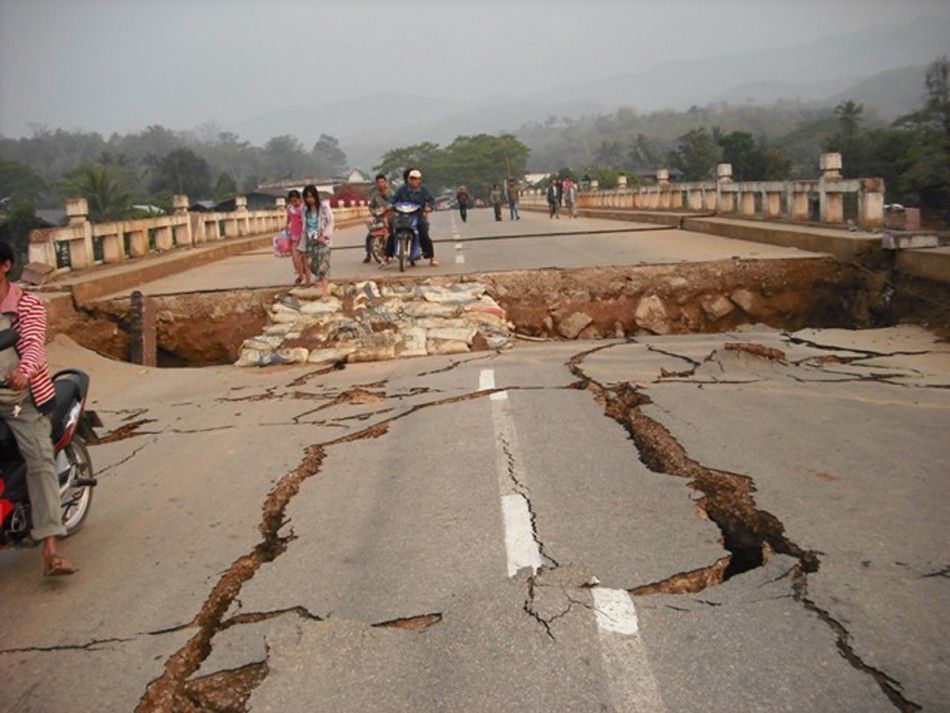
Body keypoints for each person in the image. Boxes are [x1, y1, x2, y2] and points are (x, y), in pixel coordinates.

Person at [0, 241, 76, 577]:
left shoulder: (26, 305)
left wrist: (22, 373)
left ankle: (49, 547)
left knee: (39, 459)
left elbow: (33, 346)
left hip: (21, 399)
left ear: (4, 266)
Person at [390, 169, 438, 266]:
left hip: (418, 216)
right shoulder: (402, 189)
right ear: (408, 179)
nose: (414, 181)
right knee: (394, 233)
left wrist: (428, 208)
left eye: (416, 179)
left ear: (420, 180)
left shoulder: (424, 190)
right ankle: (387, 257)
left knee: (424, 233)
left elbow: (432, 200)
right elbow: (394, 199)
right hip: (403, 216)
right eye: (412, 178)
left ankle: (431, 258)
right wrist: (390, 205)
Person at [302, 184, 334, 299]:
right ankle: (319, 278)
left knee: (324, 266)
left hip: (322, 240)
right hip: (310, 240)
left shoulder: (324, 207)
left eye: (310, 196)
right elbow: (304, 227)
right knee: (311, 264)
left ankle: (324, 294)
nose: (309, 199)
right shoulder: (305, 210)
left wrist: (325, 235)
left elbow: (330, 221)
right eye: (306, 197)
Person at [365, 174, 391, 263]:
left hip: (390, 215)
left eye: (382, 182)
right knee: (369, 235)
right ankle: (368, 254)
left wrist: (388, 207)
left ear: (385, 182)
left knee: (396, 230)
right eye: (378, 182)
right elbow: (371, 206)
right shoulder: (374, 195)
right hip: (379, 216)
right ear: (376, 184)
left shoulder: (391, 192)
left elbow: (395, 202)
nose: (380, 184)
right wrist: (373, 212)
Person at [285, 189, 306, 285]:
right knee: (294, 257)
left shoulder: (303, 208)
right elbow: (288, 218)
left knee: (302, 257)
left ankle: (303, 275)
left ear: (299, 199)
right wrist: (286, 226)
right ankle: (300, 274)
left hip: (303, 234)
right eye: (292, 201)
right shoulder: (289, 208)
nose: (294, 203)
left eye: (295, 201)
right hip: (293, 235)